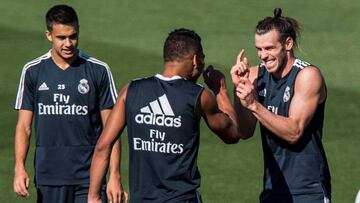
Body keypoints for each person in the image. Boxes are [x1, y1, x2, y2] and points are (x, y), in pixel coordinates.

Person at [88, 28, 242, 203]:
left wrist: (93, 197)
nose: (202, 65)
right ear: (194, 59)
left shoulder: (130, 90)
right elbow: (233, 133)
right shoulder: (199, 96)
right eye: (202, 58)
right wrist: (220, 89)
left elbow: (103, 146)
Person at [13, 4, 123, 203]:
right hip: (49, 176)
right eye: (61, 38)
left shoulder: (98, 70)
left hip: (90, 178)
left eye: (73, 36)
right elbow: (24, 126)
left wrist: (115, 175)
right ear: (49, 35)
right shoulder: (33, 71)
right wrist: (19, 167)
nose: (68, 43)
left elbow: (111, 129)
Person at [231, 8, 331, 203]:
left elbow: (293, 132)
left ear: (288, 44)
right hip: (273, 187)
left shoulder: (307, 76)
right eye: (258, 49)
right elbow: (245, 131)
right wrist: (240, 91)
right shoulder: (254, 76)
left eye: (269, 48)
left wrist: (253, 104)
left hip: (308, 191)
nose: (263, 55)